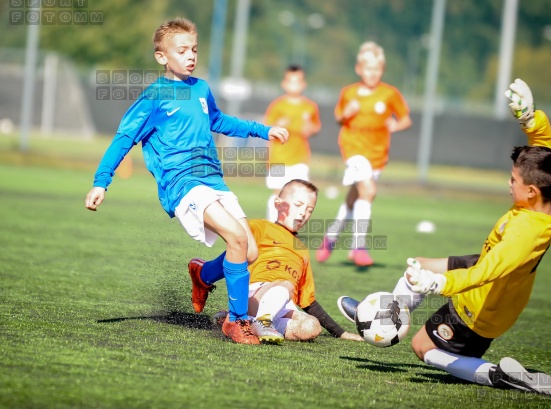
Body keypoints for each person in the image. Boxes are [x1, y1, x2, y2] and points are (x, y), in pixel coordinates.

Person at [337, 79, 551, 397]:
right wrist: (530, 118)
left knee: (423, 348)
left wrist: (437, 285)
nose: (508, 184)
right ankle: (386, 314)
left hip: (484, 303)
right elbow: (548, 145)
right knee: (417, 266)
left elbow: (484, 275)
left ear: (531, 190)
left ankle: (497, 375)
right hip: (488, 269)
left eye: (513, 180)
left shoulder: (523, 235)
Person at [84, 17, 289, 345]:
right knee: (236, 238)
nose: (190, 55)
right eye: (181, 50)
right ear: (162, 57)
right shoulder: (156, 95)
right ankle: (237, 321)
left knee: (249, 251)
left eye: (194, 49)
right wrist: (101, 181)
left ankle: (203, 274)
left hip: (212, 178)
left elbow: (219, 120)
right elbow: (124, 138)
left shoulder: (201, 88)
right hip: (182, 183)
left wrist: (262, 130)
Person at [211, 179, 363, 344]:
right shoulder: (259, 227)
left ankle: (251, 322)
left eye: (309, 209)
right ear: (278, 204)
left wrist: (341, 333)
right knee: (287, 284)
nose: (303, 213)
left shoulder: (302, 250)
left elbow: (308, 301)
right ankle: (249, 317)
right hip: (254, 295)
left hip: (283, 305)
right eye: (298, 205)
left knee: (312, 327)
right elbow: (233, 238)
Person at [315, 41, 412, 267]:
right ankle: (358, 247)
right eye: (368, 68)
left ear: (382, 70)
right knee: (368, 191)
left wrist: (394, 126)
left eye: (376, 69)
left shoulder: (390, 94)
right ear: (359, 69)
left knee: (355, 198)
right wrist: (345, 114)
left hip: (377, 155)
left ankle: (330, 237)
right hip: (353, 149)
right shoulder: (348, 92)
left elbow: (406, 119)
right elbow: (339, 117)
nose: (372, 73)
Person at [263, 65, 321, 221]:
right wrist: (278, 124)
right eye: (291, 81)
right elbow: (266, 128)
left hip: (299, 159)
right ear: (284, 83)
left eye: (298, 81)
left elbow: (315, 128)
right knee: (278, 193)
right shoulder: (278, 105)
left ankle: (290, 230)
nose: (294, 85)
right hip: (277, 159)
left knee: (300, 195)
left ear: (303, 84)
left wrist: (310, 127)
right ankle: (272, 228)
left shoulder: (309, 107)